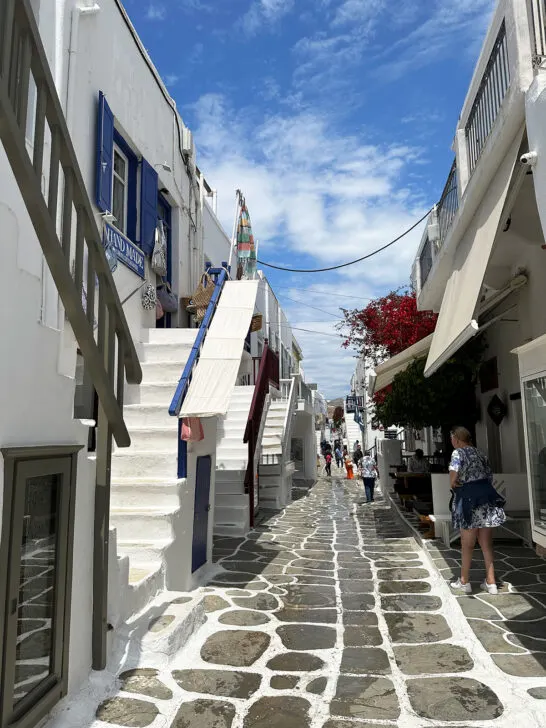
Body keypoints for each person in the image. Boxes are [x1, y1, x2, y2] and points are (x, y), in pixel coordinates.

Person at [448, 426, 506, 596]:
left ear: (457, 439)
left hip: (468, 502)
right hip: (486, 501)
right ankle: (491, 582)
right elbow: (489, 476)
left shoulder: (458, 454)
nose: (452, 441)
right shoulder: (481, 453)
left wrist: (459, 483)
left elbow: (453, 480)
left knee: (467, 544)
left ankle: (464, 581)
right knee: (486, 544)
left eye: (452, 438)